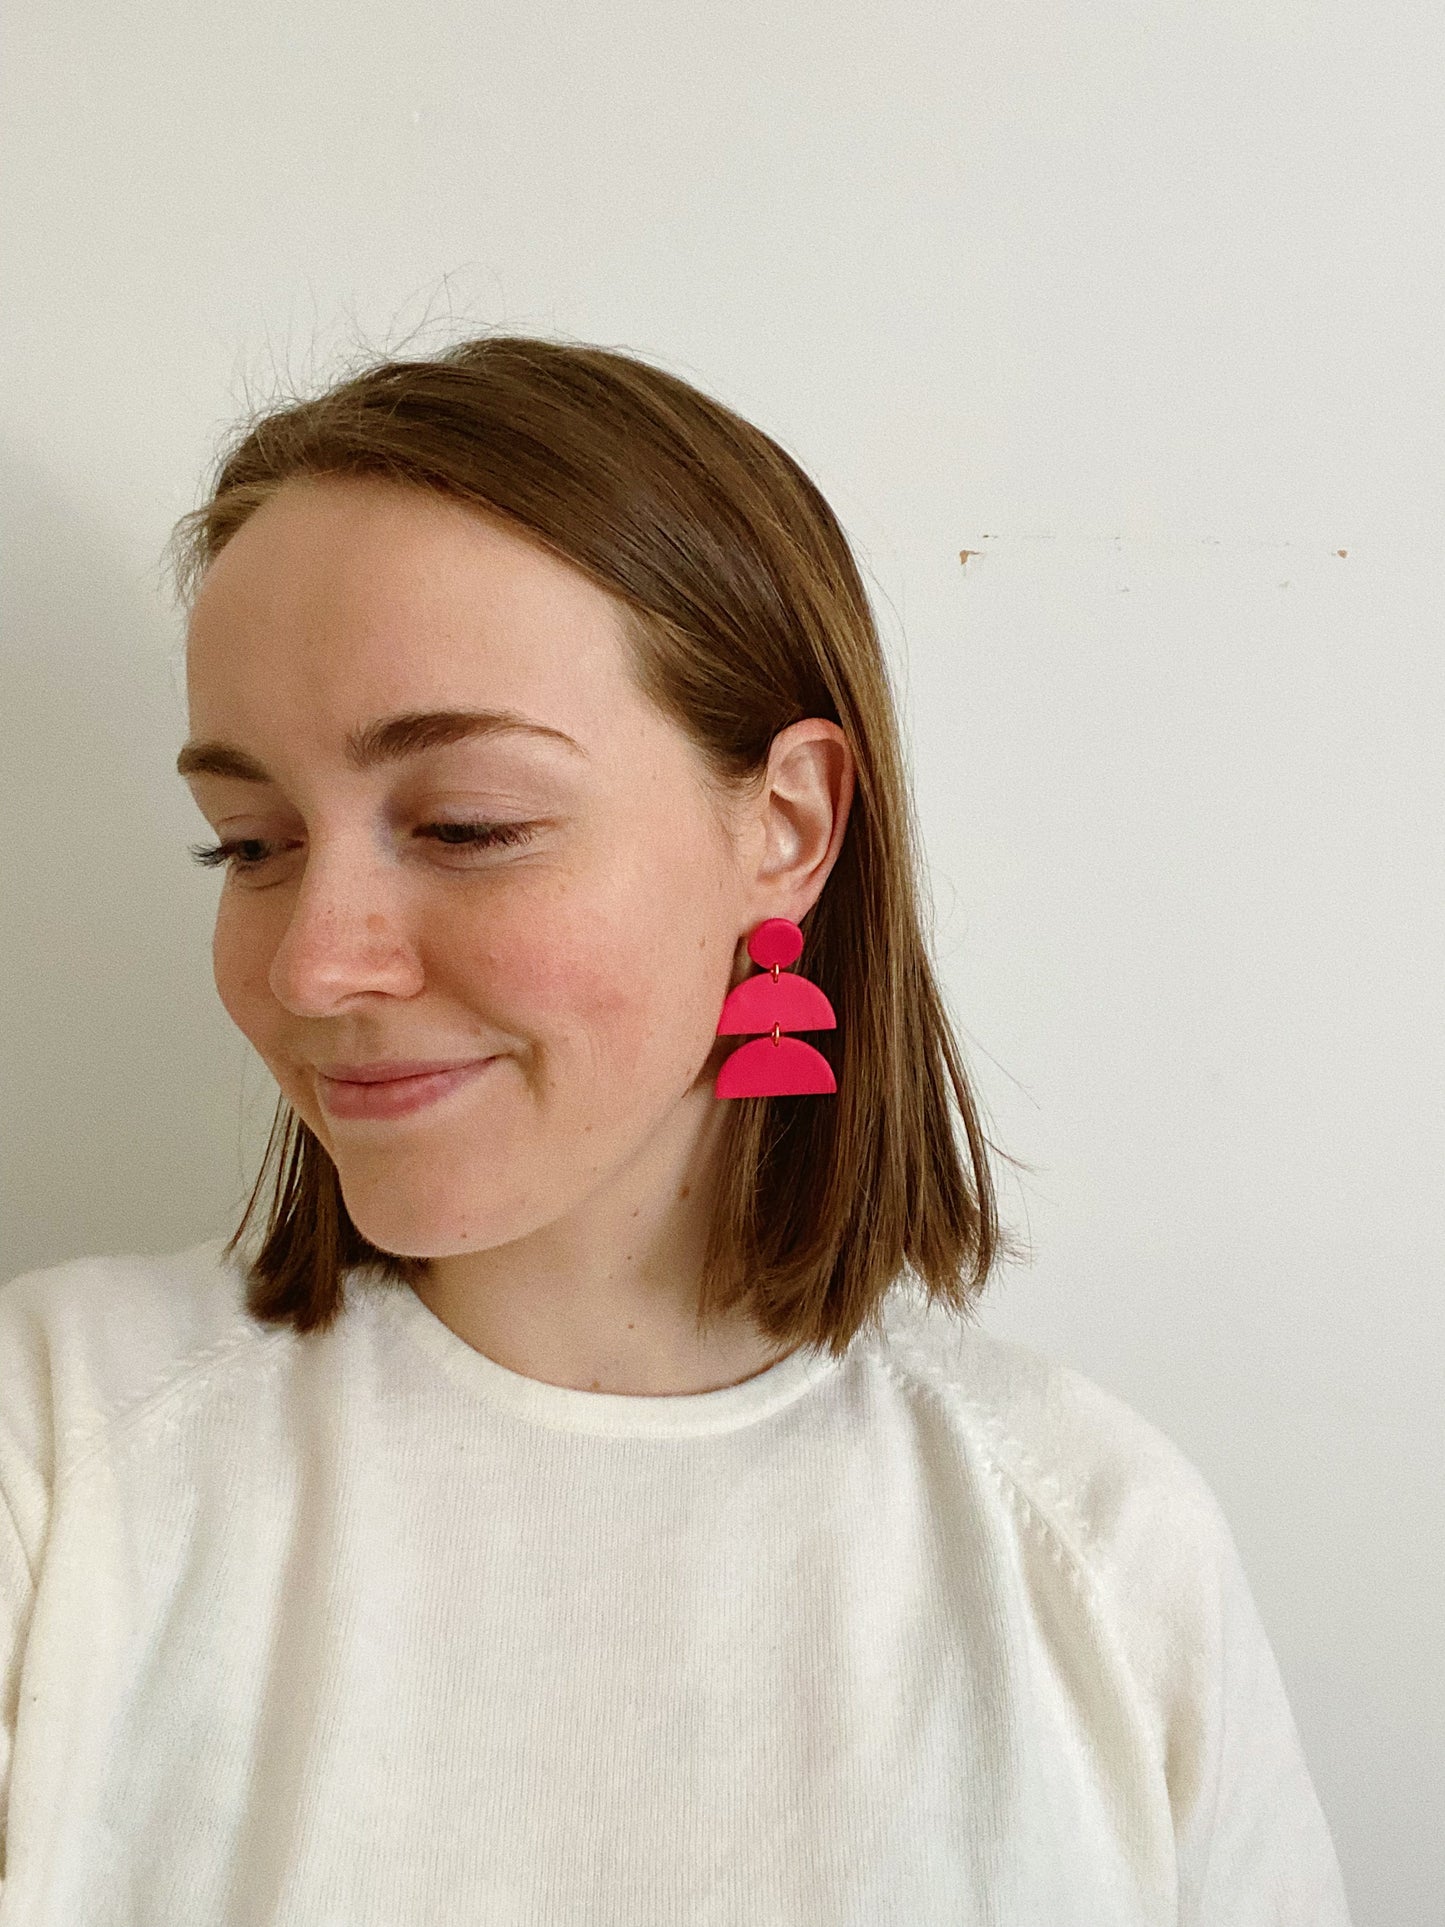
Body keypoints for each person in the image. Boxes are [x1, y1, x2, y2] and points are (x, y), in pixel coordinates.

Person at [0, 335, 1352, 1923]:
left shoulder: (1093, 1545)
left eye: (466, 826)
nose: (312, 962)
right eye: (247, 843)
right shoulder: (55, 1458)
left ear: (784, 828)